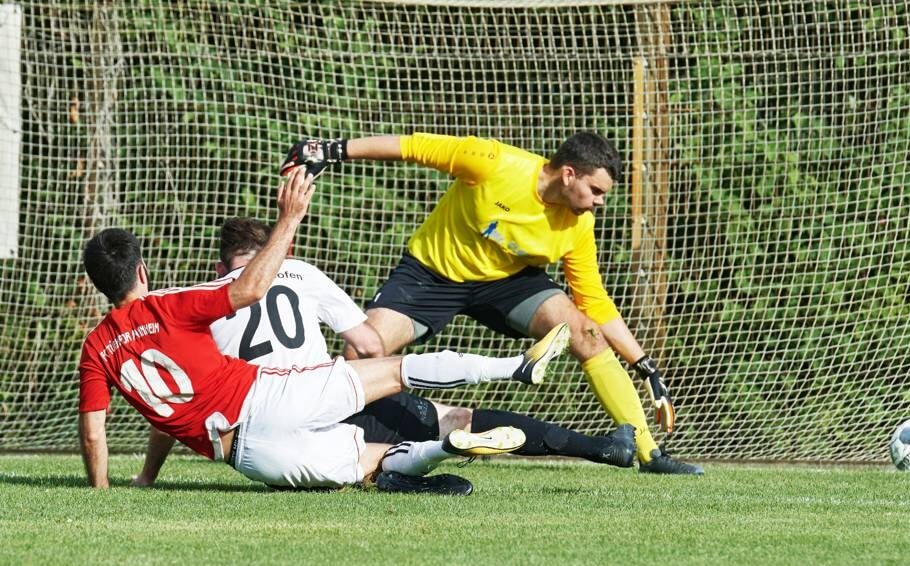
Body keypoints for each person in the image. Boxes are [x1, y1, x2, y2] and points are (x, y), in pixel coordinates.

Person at [77, 167, 571, 492]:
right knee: (398, 369)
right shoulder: (170, 305)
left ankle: (444, 449)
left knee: (373, 461)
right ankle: (515, 367)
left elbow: (94, 433)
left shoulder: (97, 347)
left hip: (247, 454)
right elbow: (249, 289)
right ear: (142, 271)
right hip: (272, 397)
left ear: (98, 284)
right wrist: (289, 217)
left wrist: (102, 490)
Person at [280, 133, 703, 474]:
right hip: (432, 275)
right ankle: (325, 436)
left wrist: (644, 365)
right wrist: (332, 150)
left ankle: (648, 453)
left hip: (509, 283)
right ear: (568, 174)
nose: (599, 201)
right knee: (362, 350)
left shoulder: (578, 225)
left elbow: (595, 302)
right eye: (595, 190)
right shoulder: (493, 162)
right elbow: (412, 147)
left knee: (586, 333)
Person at [131, 217, 637, 488]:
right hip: (325, 397)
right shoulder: (300, 272)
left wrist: (148, 476)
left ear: (221, 267)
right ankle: (598, 445)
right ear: (277, 253)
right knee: (452, 417)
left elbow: (176, 409)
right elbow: (368, 342)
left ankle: (394, 474)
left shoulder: (197, 303)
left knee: (366, 462)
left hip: (263, 431)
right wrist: (360, 381)